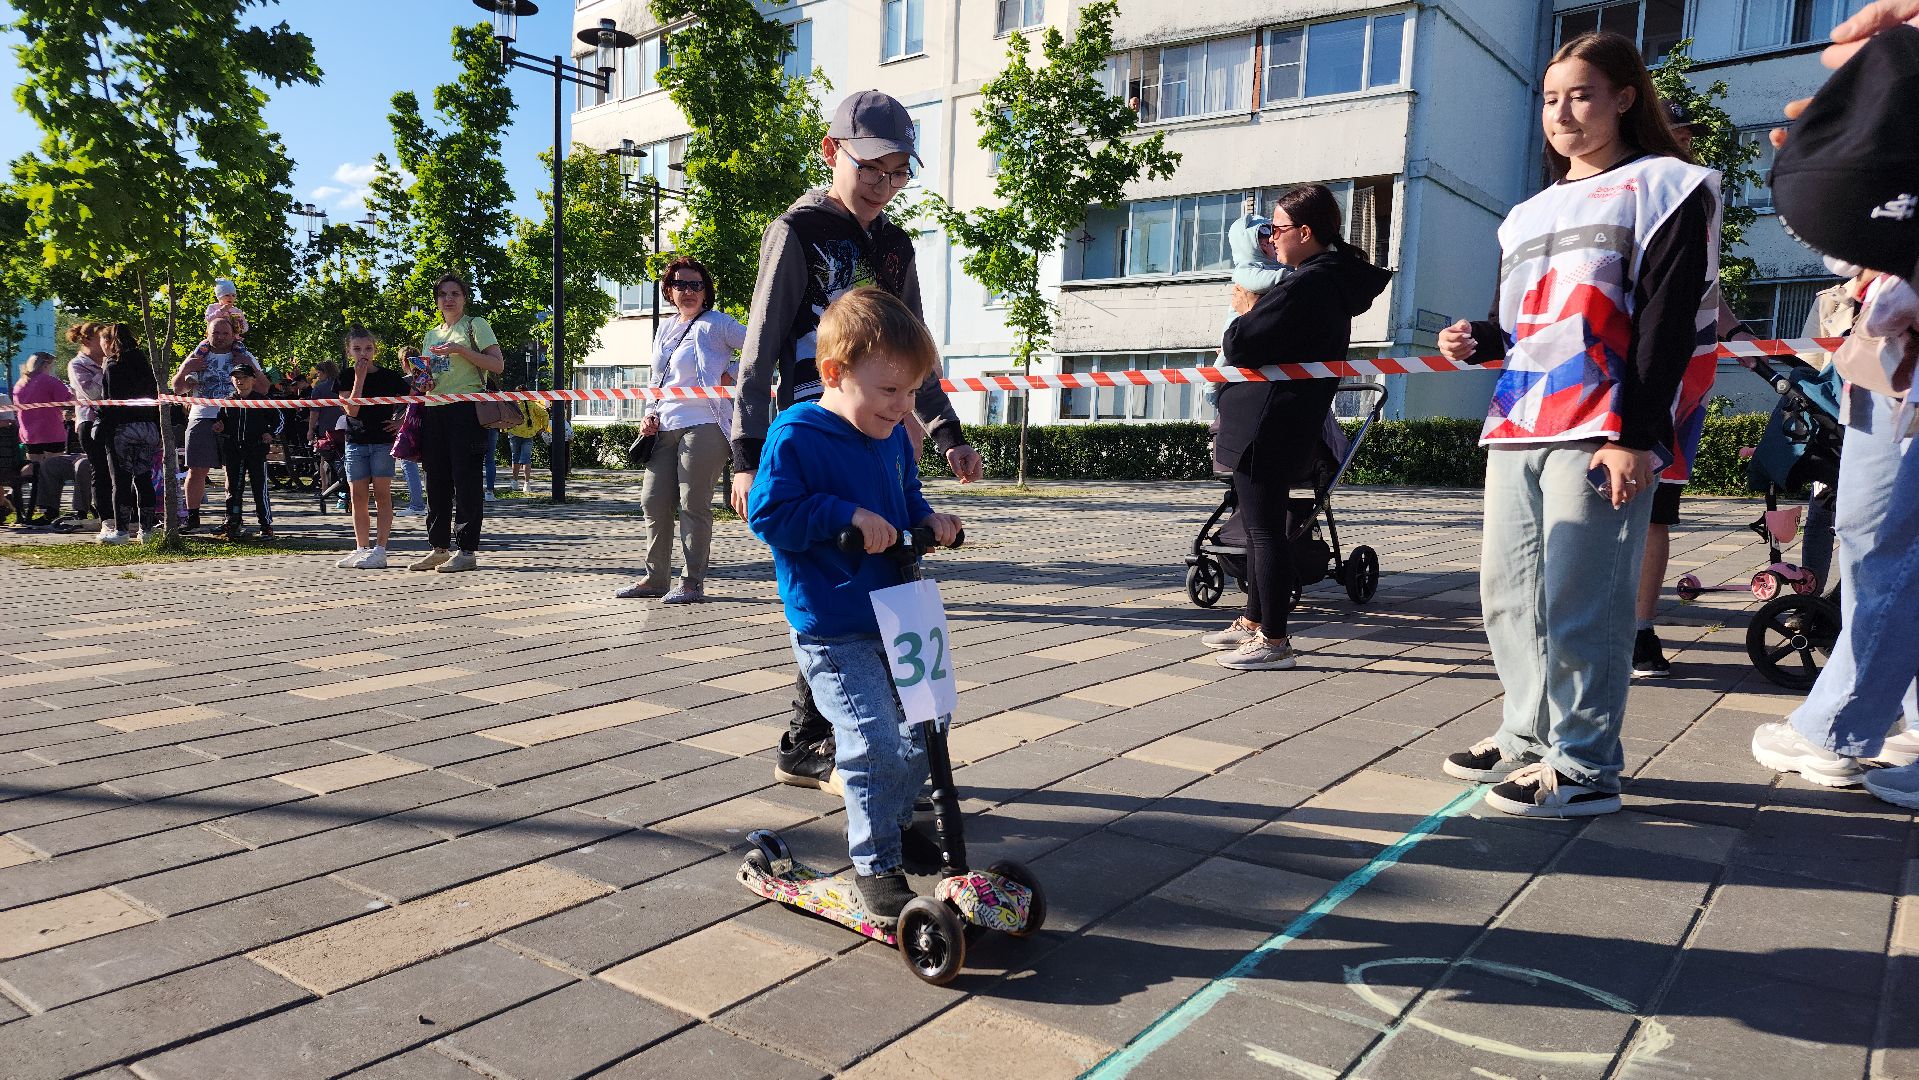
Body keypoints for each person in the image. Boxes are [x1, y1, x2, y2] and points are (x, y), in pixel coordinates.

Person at [1436, 31, 1720, 817]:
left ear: (1625, 97)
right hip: (1519, 419)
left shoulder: (1667, 185)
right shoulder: (1526, 212)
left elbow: (1665, 323)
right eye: (1549, 98)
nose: (1561, 113)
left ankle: (1586, 765)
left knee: (1580, 597)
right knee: (1507, 593)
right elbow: (1525, 325)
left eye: (1581, 94)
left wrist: (1633, 434)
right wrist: (1476, 341)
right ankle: (1526, 735)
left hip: (1602, 421)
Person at [733, 89, 986, 794]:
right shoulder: (799, 230)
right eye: (871, 166)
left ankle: (876, 740)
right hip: (816, 431)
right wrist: (746, 455)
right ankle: (811, 739)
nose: (883, 184)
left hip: (882, 434)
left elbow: (914, 353)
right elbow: (758, 348)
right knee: (834, 578)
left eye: (898, 171)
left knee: (882, 573)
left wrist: (946, 433)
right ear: (831, 152)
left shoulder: (895, 245)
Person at [746, 287, 961, 927]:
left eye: (912, 393)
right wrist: (843, 516)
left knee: (930, 725)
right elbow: (769, 513)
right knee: (870, 739)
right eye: (890, 391)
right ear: (834, 374)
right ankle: (875, 865)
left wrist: (928, 517)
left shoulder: (893, 433)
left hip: (900, 609)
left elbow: (907, 493)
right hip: (836, 622)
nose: (903, 408)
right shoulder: (799, 434)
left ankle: (893, 827)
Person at [1747, 22, 1919, 808]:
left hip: (1897, 359)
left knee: (1883, 537)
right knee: (1877, 536)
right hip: (1882, 356)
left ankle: (1843, 723)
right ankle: (1891, 716)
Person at [1202, 185, 1391, 671]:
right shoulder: (1322, 278)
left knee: (1265, 532)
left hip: (1268, 420)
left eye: (1278, 229)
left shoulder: (1308, 283)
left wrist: (1245, 311)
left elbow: (1242, 343)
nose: (1272, 239)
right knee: (1265, 524)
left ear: (1305, 233)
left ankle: (1275, 639)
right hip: (1273, 416)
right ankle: (1252, 620)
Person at [1631, 99, 1758, 678]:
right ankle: (1582, 628)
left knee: (1657, 511)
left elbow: (1702, 289)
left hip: (1686, 378)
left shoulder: (1700, 199)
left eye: (1688, 133)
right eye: (1675, 129)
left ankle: (1638, 629)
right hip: (1622, 371)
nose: (1684, 139)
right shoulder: (1627, 189)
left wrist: (1740, 334)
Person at [619, 257, 746, 604]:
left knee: (693, 504)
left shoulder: (718, 323)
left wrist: (729, 375)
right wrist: (648, 413)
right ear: (669, 291)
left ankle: (691, 583)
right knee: (653, 501)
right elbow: (655, 379)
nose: (688, 291)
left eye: (696, 285)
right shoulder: (666, 328)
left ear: (706, 291)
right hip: (665, 425)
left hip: (706, 422)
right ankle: (656, 578)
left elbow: (759, 349)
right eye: (680, 285)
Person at [413, 273, 503, 572]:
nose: (448, 299)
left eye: (455, 293)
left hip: (466, 409)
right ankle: (438, 547)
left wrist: (461, 350)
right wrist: (423, 381)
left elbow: (497, 365)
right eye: (442, 294)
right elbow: (431, 375)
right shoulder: (431, 334)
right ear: (436, 300)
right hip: (434, 408)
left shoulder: (475, 325)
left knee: (466, 481)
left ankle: (466, 550)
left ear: (465, 298)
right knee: (435, 480)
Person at [173, 315, 262, 532]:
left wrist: (251, 366)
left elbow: (264, 388)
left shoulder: (243, 355)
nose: (221, 337)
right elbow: (177, 389)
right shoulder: (197, 355)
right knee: (196, 469)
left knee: (232, 470)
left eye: (225, 333)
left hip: (234, 417)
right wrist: (186, 368)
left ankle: (232, 518)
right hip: (201, 416)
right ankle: (192, 517)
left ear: (233, 335)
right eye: (216, 333)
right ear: (207, 334)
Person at [338, 325, 408, 569]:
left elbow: (416, 400)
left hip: (382, 442)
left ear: (375, 350)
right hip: (355, 441)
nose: (363, 354)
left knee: (382, 494)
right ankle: (361, 547)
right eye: (357, 349)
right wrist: (359, 378)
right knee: (357, 497)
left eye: (368, 348)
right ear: (349, 352)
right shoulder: (345, 376)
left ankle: (380, 549)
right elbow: (352, 409)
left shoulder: (389, 377)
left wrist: (400, 422)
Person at [97, 324, 163, 542]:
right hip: (147, 428)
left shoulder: (113, 366)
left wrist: (103, 427)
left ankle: (122, 531)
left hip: (123, 430)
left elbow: (110, 403)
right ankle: (147, 531)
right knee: (144, 479)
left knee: (122, 481)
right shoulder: (146, 364)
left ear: (109, 342)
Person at [214, 367, 280, 539]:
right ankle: (232, 521)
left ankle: (265, 525)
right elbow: (221, 421)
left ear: (253, 380)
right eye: (236, 377)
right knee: (233, 488)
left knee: (260, 488)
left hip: (256, 450)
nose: (240, 381)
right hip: (233, 450)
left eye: (244, 377)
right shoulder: (228, 401)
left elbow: (279, 420)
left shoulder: (262, 400)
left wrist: (270, 433)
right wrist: (219, 426)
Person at [66, 323, 117, 543]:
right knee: (101, 471)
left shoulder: (114, 361)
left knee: (120, 468)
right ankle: (106, 518)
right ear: (86, 341)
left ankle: (127, 513)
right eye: (102, 338)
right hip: (90, 422)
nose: (108, 342)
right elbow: (93, 393)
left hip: (114, 420)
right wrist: (108, 368)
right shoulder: (77, 364)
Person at [14, 353, 70, 459]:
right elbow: (68, 400)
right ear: (45, 365)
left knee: (35, 467)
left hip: (29, 434)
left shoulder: (19, 384)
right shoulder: (50, 381)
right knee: (54, 467)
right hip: (51, 432)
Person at [503, 397, 548, 495]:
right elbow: (545, 414)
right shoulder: (533, 404)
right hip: (529, 434)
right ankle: (527, 483)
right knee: (526, 459)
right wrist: (543, 428)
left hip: (514, 433)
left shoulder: (513, 403)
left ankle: (514, 482)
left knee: (515, 458)